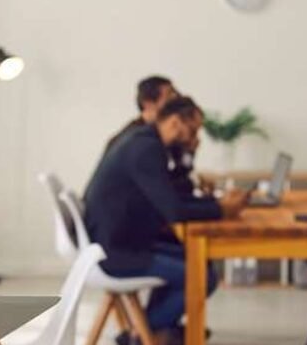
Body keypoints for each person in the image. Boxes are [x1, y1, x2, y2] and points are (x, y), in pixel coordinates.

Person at [85, 96, 248, 345]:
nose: (195, 137)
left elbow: (174, 196)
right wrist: (222, 210)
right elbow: (174, 210)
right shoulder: (146, 148)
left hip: (123, 241)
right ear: (174, 122)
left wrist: (218, 205)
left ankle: (153, 331)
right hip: (117, 252)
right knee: (203, 276)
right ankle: (143, 335)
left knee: (196, 260)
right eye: (193, 130)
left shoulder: (146, 141)